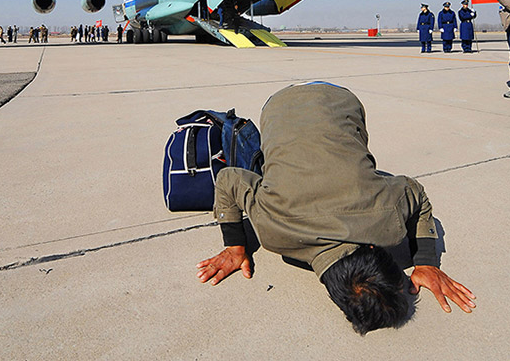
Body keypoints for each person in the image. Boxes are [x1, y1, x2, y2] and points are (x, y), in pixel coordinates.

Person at [197, 83, 475, 335]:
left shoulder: (387, 212)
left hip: (326, 99)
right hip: (288, 104)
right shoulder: (272, 231)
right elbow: (229, 180)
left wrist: (424, 261)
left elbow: (416, 193)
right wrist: (237, 247)